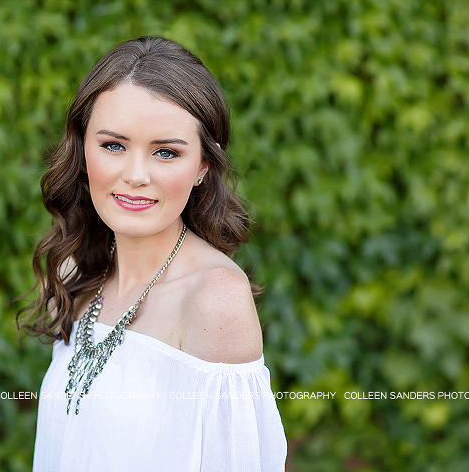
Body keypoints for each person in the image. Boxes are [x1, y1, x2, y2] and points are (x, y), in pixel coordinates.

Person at [18, 36, 287, 471]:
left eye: (166, 152)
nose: (136, 175)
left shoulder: (214, 297)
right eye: (113, 146)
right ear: (83, 149)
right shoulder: (76, 271)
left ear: (203, 164)